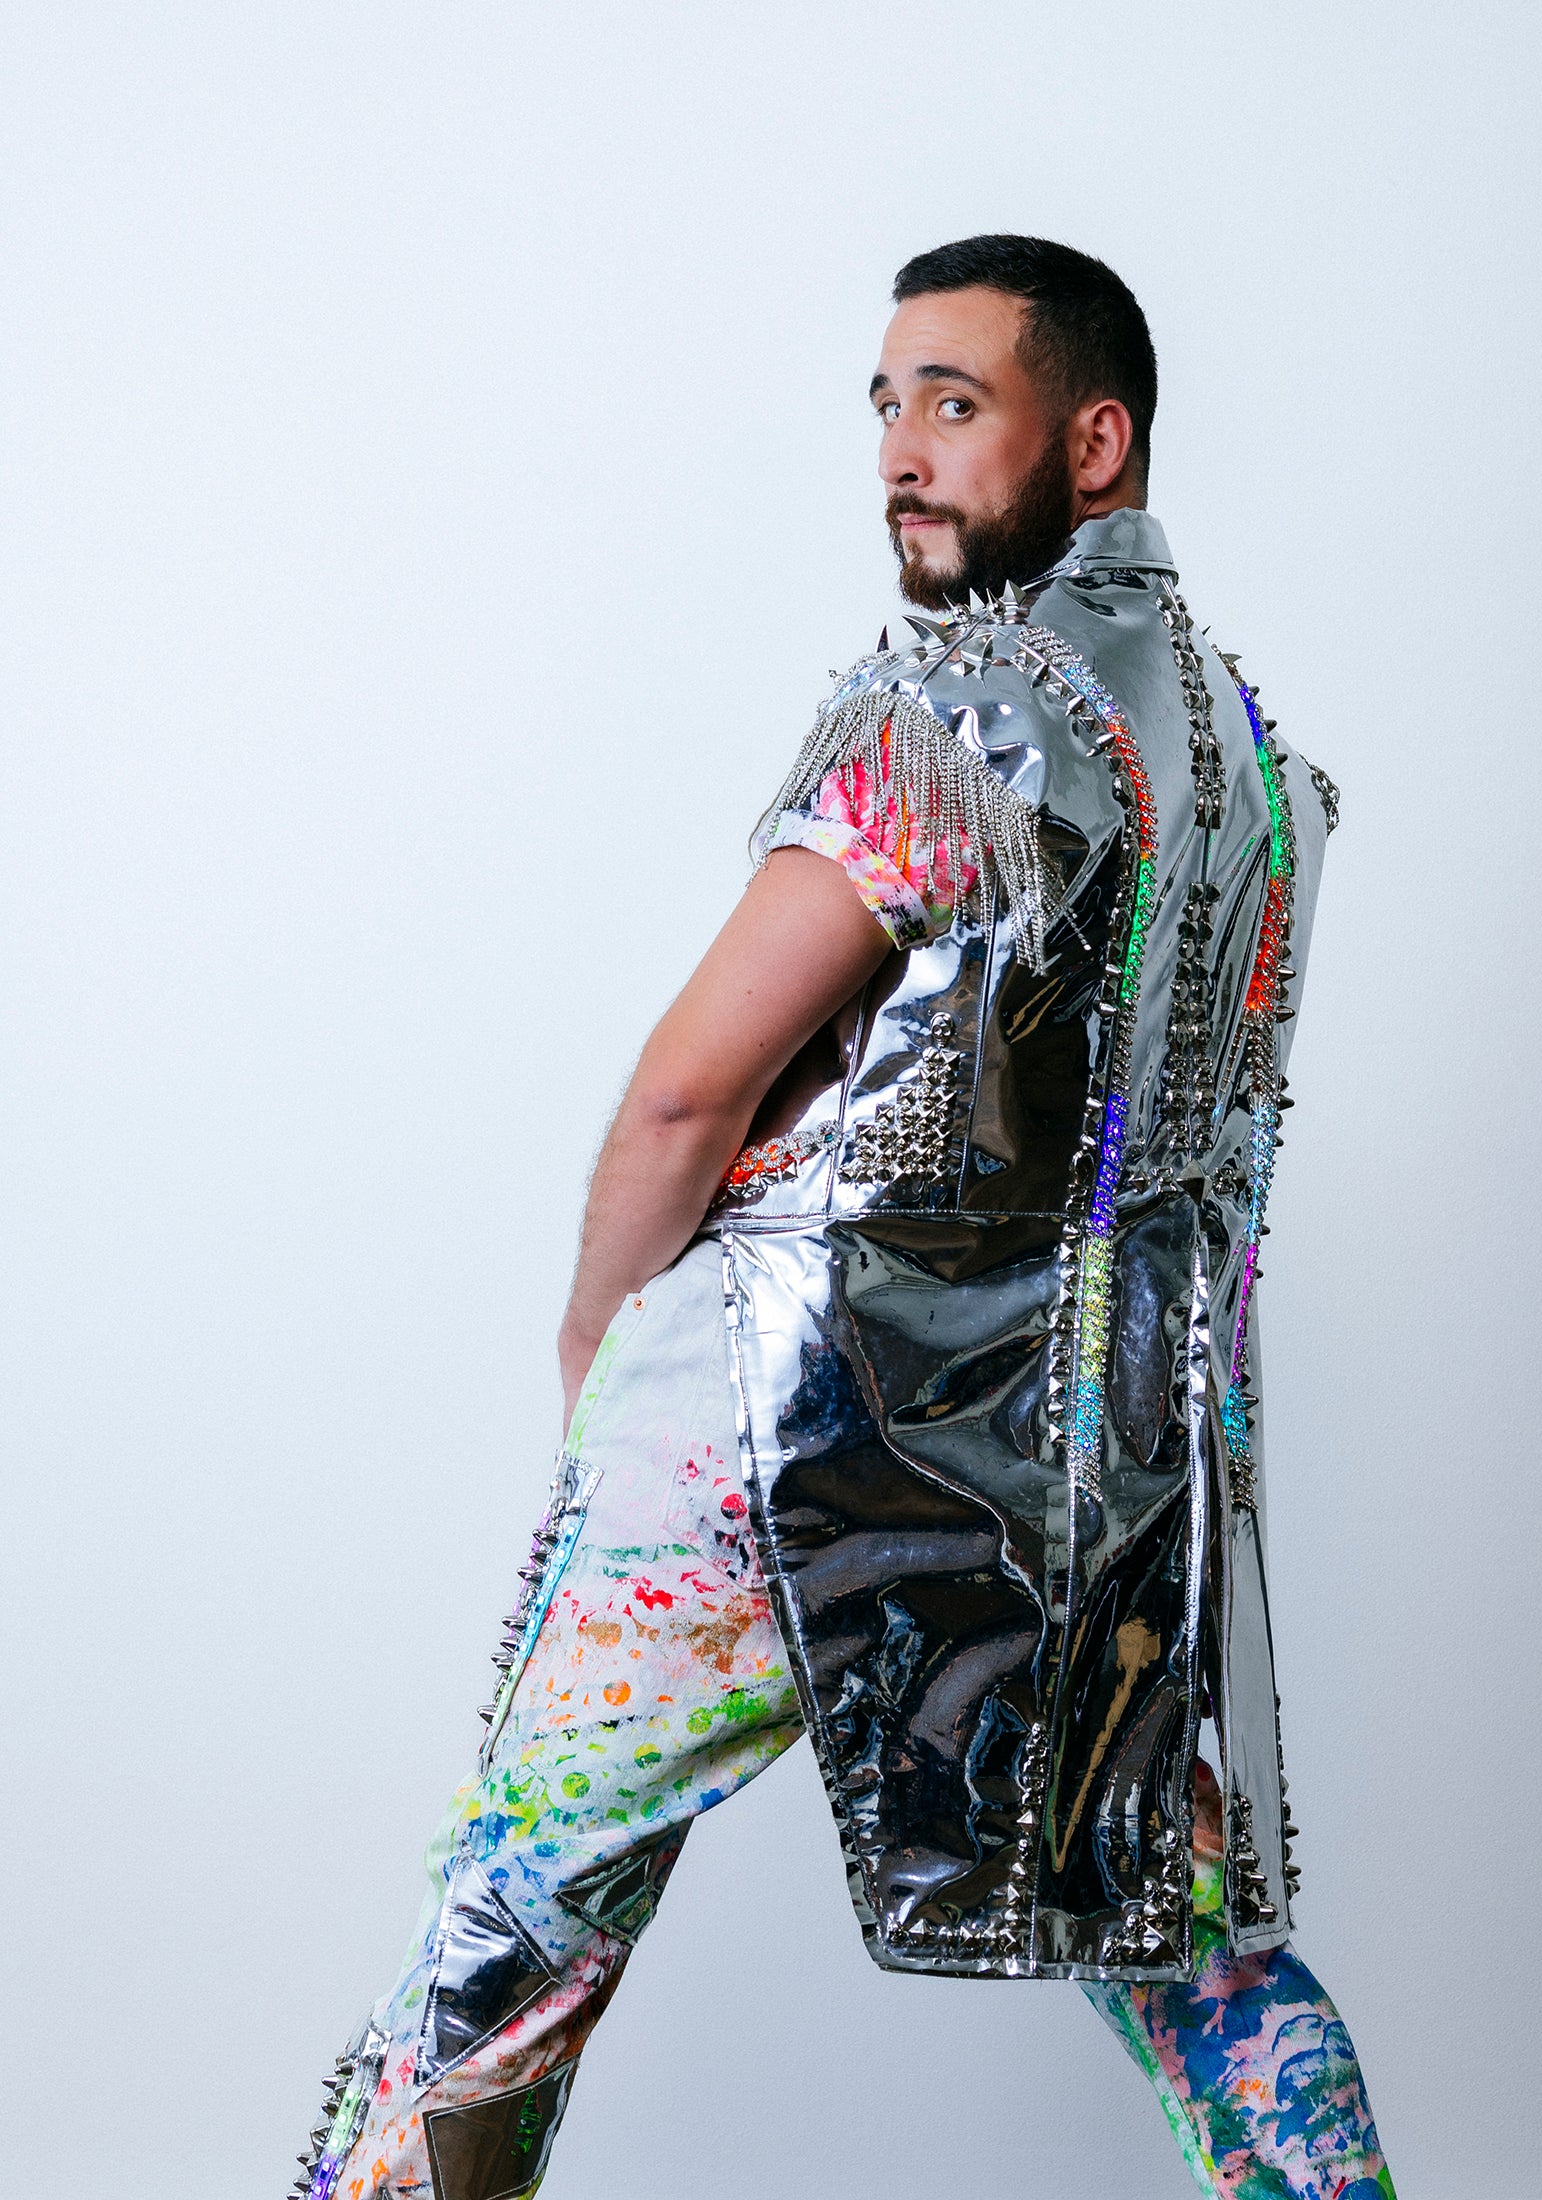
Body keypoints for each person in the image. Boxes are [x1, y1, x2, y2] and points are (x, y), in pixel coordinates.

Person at [292, 235, 1393, 2200]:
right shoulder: (1257, 771)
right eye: (885, 405)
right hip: (1090, 1465)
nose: (899, 450)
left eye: (954, 404)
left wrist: (599, 1346)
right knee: (1199, 1957)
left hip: (780, 1412)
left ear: (1094, 441)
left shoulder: (955, 708)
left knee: (515, 1922)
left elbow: (689, 1086)